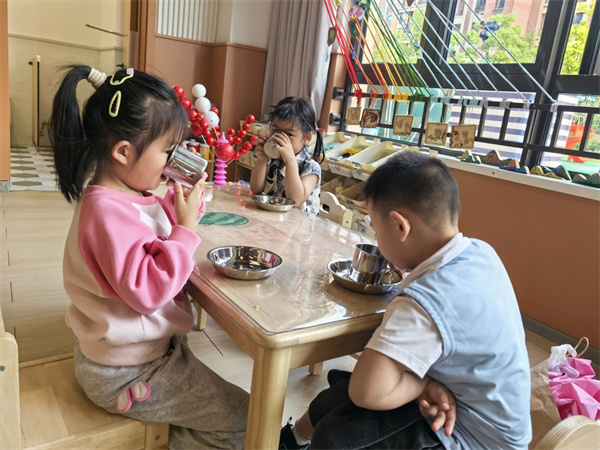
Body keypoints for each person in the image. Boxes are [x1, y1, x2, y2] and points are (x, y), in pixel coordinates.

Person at [50, 65, 248, 449]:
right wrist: (185, 230)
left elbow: (153, 232)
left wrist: (185, 211)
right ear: (124, 152)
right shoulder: (106, 214)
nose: (174, 160)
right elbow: (148, 291)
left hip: (136, 353)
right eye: (168, 151)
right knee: (246, 419)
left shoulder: (127, 195)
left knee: (215, 406)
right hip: (125, 372)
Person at [280, 151, 532, 449]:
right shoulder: (481, 252)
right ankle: (292, 441)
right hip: (493, 421)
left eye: (376, 230)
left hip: (470, 437)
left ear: (400, 226)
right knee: (342, 392)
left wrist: (422, 384)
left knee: (336, 436)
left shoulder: (424, 299)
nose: (377, 239)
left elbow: (367, 392)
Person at [250, 97, 323, 215]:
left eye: (289, 134)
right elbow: (256, 189)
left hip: (301, 224)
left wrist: (290, 161)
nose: (280, 138)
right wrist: (262, 160)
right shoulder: (275, 159)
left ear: (307, 138)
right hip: (275, 219)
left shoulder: (311, 167)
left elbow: (295, 200)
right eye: (275, 131)